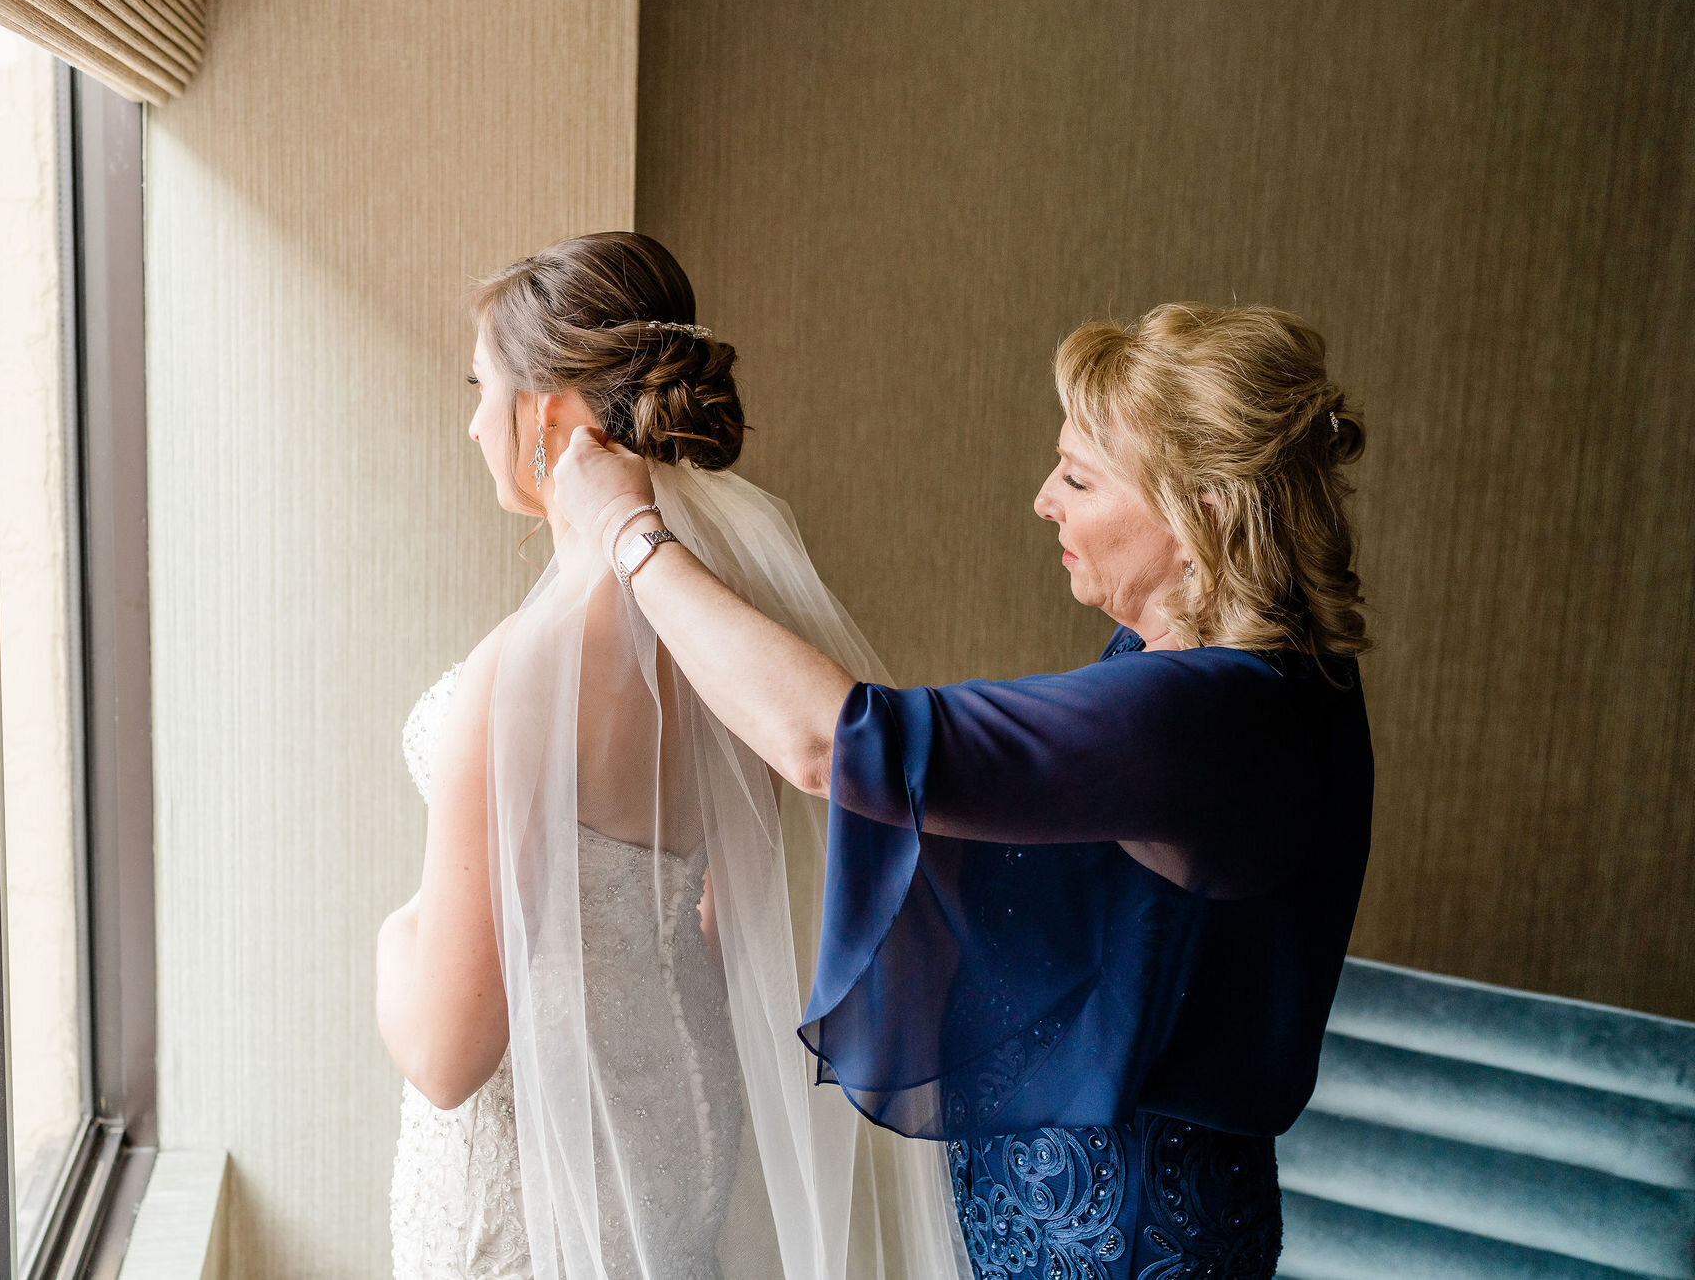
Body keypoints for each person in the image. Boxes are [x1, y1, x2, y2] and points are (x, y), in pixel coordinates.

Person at [551, 302, 1375, 1279]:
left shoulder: (1203, 715)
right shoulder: (1257, 669)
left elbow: (830, 743)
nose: (1042, 499)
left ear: (1199, 507)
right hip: (1096, 1198)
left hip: (1116, 1233)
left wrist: (631, 534)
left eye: (1075, 475)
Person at [375, 232, 963, 1280]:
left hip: (538, 1165)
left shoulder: (519, 674)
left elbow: (445, 1058)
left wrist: (393, 939)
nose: (470, 423)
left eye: (482, 388)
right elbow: (710, 912)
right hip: (673, 1119)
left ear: (549, 412)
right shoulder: (726, 627)